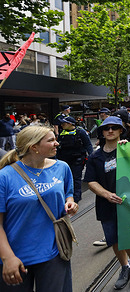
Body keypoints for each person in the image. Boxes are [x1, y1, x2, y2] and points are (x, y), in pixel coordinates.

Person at [0, 125, 78, 291]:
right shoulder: (5, 177)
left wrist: (70, 202)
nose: (57, 143)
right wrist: (8, 258)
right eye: (51, 140)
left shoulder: (62, 167)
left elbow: (68, 194)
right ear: (33, 147)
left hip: (55, 251)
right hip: (15, 258)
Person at [84, 116, 130, 290]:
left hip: (127, 204)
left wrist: (129, 150)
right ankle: (124, 267)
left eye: (114, 128)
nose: (110, 131)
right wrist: (106, 194)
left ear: (120, 131)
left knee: (129, 236)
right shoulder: (95, 157)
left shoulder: (127, 150)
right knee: (113, 238)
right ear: (102, 132)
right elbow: (91, 181)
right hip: (106, 204)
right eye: (106, 128)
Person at [57, 116, 93, 203]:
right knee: (65, 178)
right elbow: (58, 146)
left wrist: (91, 157)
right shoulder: (62, 133)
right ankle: (67, 196)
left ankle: (76, 197)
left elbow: (88, 145)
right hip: (64, 160)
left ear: (70, 124)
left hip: (77, 159)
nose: (61, 125)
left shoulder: (80, 132)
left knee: (76, 178)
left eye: (64, 123)